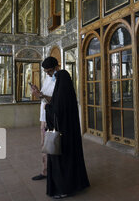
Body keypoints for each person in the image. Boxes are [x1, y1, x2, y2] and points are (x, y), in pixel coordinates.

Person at [38, 57, 90, 199]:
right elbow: (56, 103)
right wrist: (45, 99)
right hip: (66, 132)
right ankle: (70, 185)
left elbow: (56, 109)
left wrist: (48, 107)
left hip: (63, 134)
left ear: (56, 68)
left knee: (63, 162)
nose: (49, 75)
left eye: (49, 71)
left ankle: (64, 188)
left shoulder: (62, 81)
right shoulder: (63, 90)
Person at [31, 74, 54, 181]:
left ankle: (53, 172)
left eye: (48, 70)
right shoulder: (47, 79)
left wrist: (41, 95)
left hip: (51, 118)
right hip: (43, 118)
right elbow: (43, 97)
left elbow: (55, 100)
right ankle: (45, 171)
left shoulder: (58, 79)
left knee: (51, 146)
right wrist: (37, 92)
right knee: (44, 145)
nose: (47, 73)